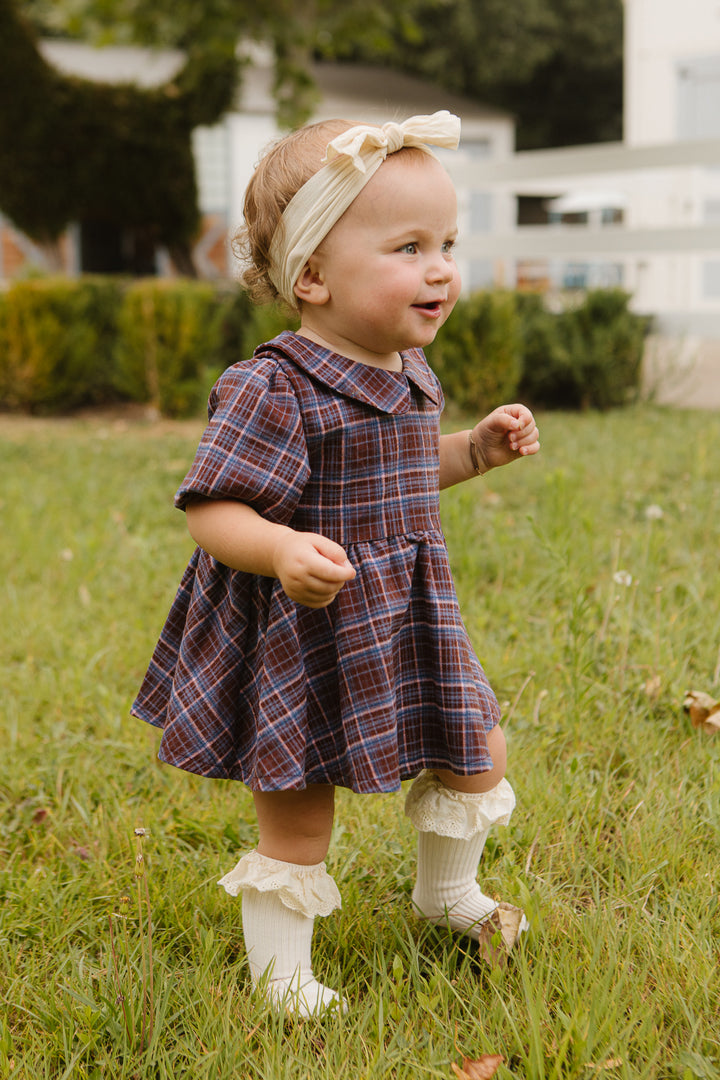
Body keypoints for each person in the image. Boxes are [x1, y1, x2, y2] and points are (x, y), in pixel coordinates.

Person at [132, 111, 540, 1018]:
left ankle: (445, 894)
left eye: (447, 244)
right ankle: (282, 977)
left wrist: (473, 451)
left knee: (476, 748)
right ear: (312, 274)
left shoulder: (405, 372)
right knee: (300, 804)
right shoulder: (272, 385)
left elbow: (401, 467)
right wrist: (279, 549)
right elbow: (214, 508)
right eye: (407, 246)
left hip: (407, 615)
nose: (440, 268)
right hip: (304, 628)